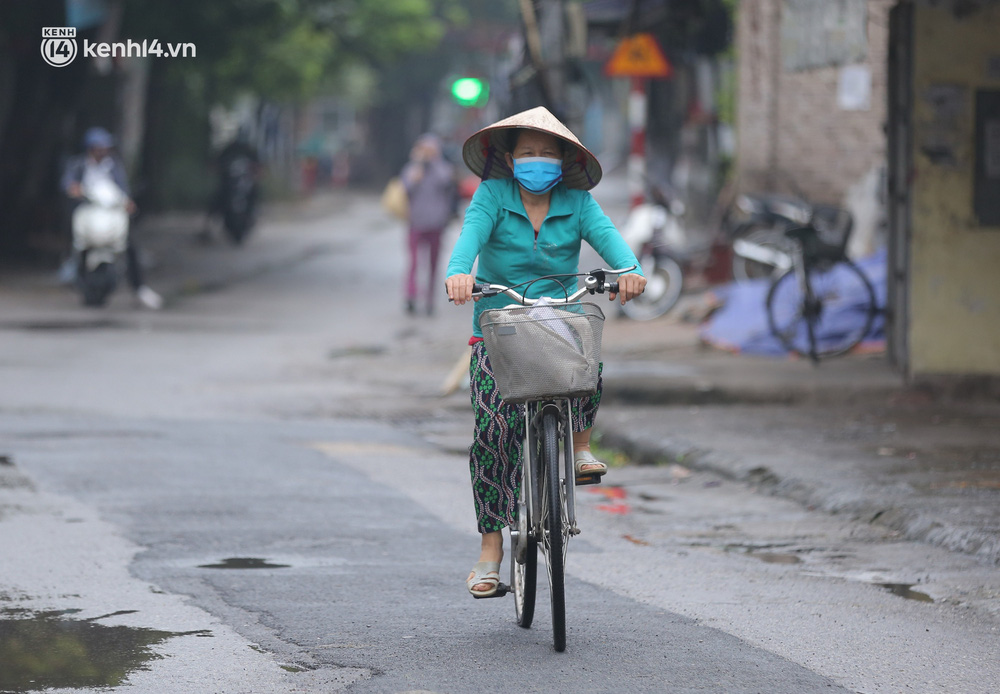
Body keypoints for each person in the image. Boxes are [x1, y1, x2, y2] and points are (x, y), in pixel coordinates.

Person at [444, 107, 647, 598]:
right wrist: (459, 273)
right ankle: (491, 549)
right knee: (493, 432)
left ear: (563, 161)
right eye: (528, 152)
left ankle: (580, 449)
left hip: (559, 317)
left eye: (547, 153)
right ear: (510, 160)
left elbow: (610, 241)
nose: (537, 161)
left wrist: (630, 270)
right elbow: (468, 239)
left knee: (587, 357)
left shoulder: (578, 202)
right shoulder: (491, 195)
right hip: (499, 325)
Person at [62, 127, 163, 309]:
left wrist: (127, 202)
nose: (103, 151)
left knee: (130, 245)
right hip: (88, 212)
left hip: (110, 213)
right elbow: (69, 184)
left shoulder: (114, 166)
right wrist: (74, 189)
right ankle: (72, 273)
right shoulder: (78, 165)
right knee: (76, 241)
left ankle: (139, 288)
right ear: (90, 148)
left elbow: (123, 190)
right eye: (99, 147)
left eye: (105, 147)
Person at [401, 133, 456, 315]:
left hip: (436, 224)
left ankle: (430, 300)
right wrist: (418, 164)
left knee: (434, 264)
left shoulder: (443, 168)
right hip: (416, 223)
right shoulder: (412, 168)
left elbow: (446, 181)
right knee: (414, 263)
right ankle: (411, 296)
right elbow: (407, 187)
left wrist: (434, 161)